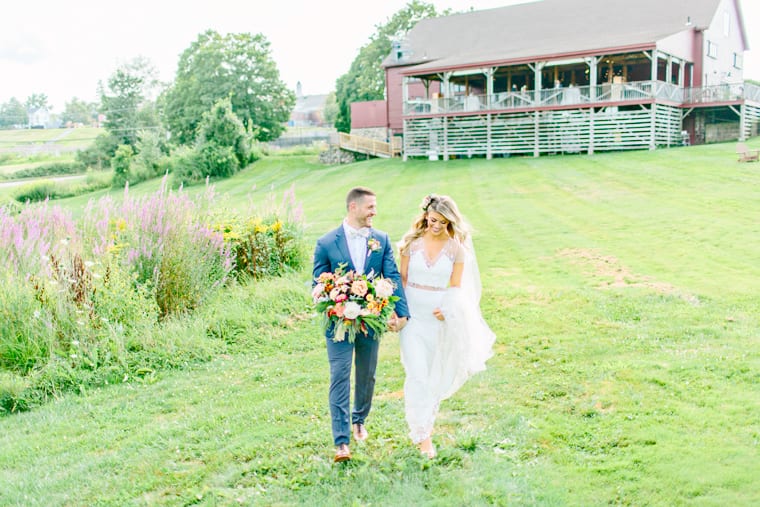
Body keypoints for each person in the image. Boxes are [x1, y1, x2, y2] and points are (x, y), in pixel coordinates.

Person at [313, 187, 410, 463]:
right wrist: (331, 298)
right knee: (340, 374)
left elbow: (391, 277)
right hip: (338, 324)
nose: (374, 212)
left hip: (371, 320)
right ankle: (341, 442)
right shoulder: (326, 242)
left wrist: (402, 314)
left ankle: (359, 419)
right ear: (353, 207)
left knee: (367, 373)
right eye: (370, 207)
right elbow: (317, 283)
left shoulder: (381, 239)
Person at [398, 194, 495, 458]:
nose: (436, 226)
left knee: (432, 375)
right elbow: (402, 280)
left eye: (442, 221)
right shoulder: (411, 245)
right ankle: (422, 436)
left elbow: (456, 287)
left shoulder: (456, 250)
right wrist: (399, 313)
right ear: (425, 217)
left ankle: (425, 423)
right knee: (416, 373)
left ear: (450, 221)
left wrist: (448, 309)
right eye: (432, 220)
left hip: (438, 320)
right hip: (413, 319)